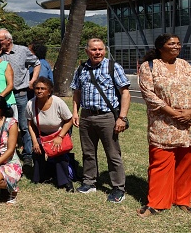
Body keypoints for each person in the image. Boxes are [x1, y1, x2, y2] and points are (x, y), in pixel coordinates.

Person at [137, 34, 191, 217]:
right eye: (172, 44)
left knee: (186, 163)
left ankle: (183, 199)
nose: (177, 46)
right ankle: (157, 203)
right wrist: (174, 113)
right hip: (162, 124)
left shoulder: (185, 65)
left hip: (187, 123)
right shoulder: (149, 67)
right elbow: (149, 95)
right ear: (161, 47)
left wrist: (189, 113)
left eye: (178, 43)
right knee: (160, 163)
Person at [70, 38, 131, 203]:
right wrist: (75, 112)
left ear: (104, 50)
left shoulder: (113, 67)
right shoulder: (81, 68)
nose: (97, 52)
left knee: (112, 154)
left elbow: (125, 93)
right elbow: (76, 91)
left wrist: (122, 118)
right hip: (87, 116)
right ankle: (89, 182)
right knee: (88, 152)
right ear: (87, 51)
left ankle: (118, 188)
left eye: (100, 49)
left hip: (107, 117)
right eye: (94, 49)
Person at [0, 28, 40, 167]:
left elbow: (37, 63)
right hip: (4, 96)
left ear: (8, 40)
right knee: (3, 125)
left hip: (20, 94)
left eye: (0, 40)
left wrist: (32, 81)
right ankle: (6, 153)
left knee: (24, 125)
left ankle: (27, 155)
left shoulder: (22, 50)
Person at [26, 77, 74, 192]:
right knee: (37, 151)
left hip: (58, 132)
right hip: (41, 133)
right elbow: (30, 125)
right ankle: (40, 177)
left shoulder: (58, 102)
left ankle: (65, 181)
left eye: (43, 88)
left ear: (49, 91)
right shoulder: (30, 104)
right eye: (37, 88)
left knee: (58, 153)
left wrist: (60, 137)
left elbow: (69, 120)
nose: (39, 91)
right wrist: (34, 141)